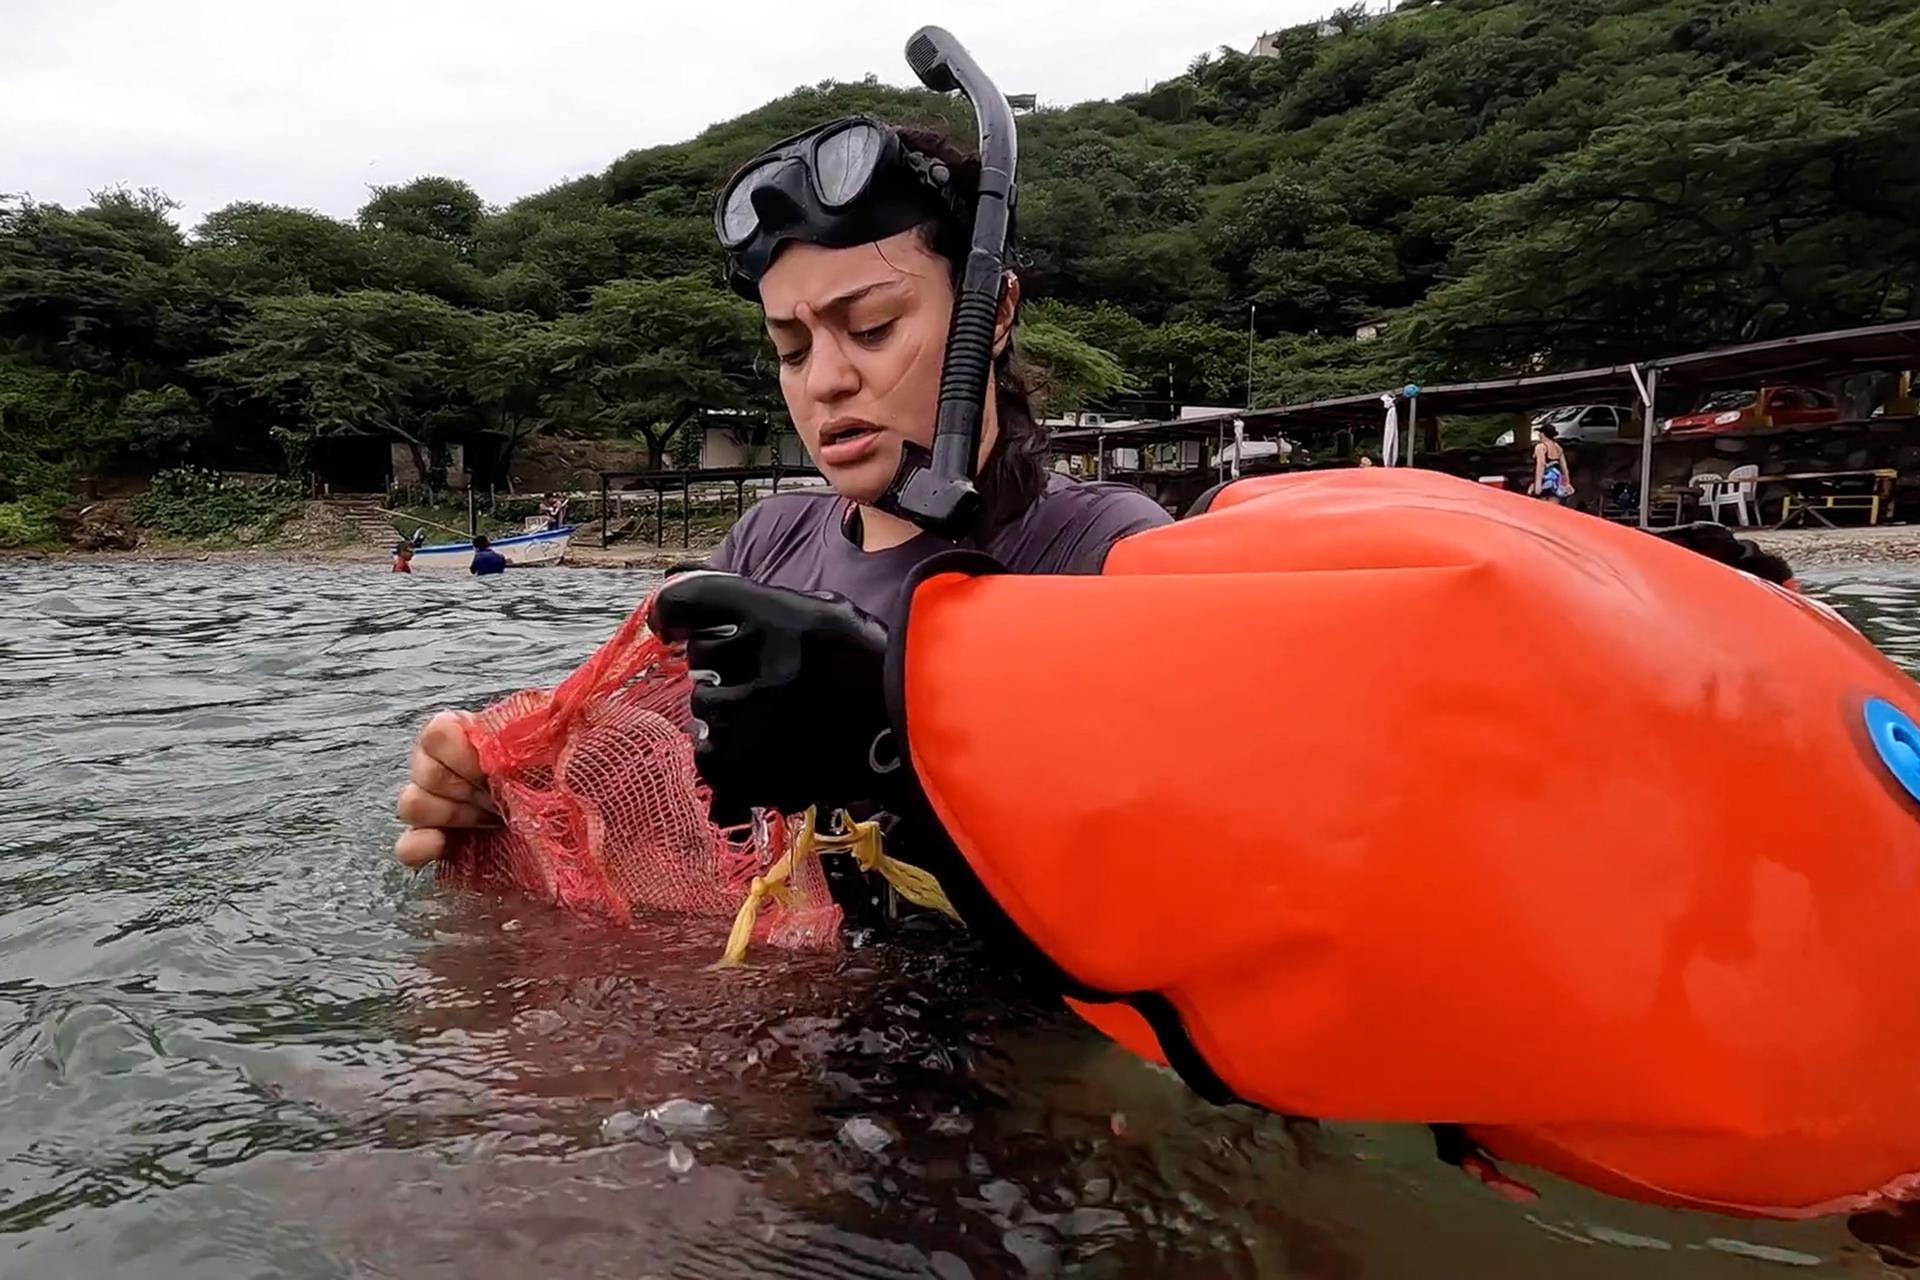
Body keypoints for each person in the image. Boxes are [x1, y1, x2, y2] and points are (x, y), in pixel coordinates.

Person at [395, 114, 1168, 868]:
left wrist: (890, 741)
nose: (827, 383)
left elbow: (1148, 855)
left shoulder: (1103, 551)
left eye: (871, 329)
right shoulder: (765, 547)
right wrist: (502, 797)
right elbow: (654, 803)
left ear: (993, 312)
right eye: (792, 350)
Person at [1531, 422, 1573, 503]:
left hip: (1545, 478)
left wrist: (1538, 485)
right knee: (1554, 507)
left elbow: (1541, 465)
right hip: (1557, 479)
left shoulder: (1541, 447)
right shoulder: (1558, 447)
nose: (1539, 435)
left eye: (1540, 433)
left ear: (1543, 434)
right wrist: (1567, 483)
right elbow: (1564, 468)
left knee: (1542, 506)